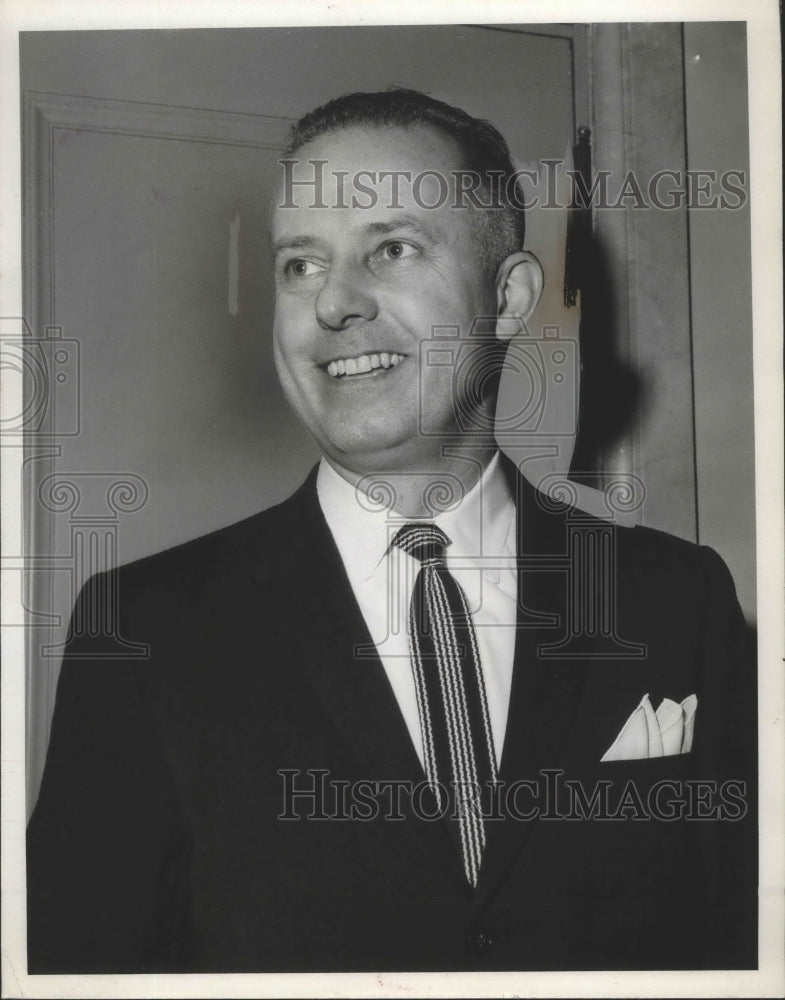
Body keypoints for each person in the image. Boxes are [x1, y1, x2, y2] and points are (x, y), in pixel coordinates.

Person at [27, 88, 756, 974]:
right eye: (300, 265)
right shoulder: (144, 629)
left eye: (392, 248)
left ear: (508, 296)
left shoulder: (675, 600)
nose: (332, 303)